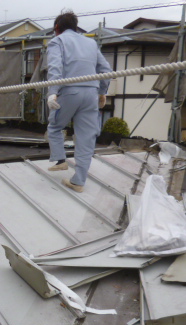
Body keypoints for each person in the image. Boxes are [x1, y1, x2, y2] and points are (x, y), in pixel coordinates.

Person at [46, 11, 112, 192]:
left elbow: (55, 67)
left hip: (70, 91)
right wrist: (102, 92)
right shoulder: (91, 43)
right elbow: (106, 69)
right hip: (91, 94)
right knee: (86, 137)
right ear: (76, 27)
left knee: (54, 127)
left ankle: (60, 160)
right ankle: (78, 182)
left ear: (56, 28)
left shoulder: (57, 41)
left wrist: (52, 93)